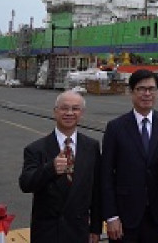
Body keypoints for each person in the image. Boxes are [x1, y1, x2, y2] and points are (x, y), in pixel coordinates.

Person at [100, 68, 158, 242]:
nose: (147, 94)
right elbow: (106, 173)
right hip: (125, 214)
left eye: (151, 89)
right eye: (141, 89)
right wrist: (111, 216)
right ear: (131, 92)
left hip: (157, 213)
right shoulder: (116, 127)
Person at [19, 89, 102, 243]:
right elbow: (25, 184)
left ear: (81, 113)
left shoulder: (91, 146)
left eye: (75, 109)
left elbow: (96, 190)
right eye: (64, 108)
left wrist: (95, 228)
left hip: (79, 230)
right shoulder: (36, 149)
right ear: (55, 112)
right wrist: (50, 169)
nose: (69, 113)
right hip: (48, 233)